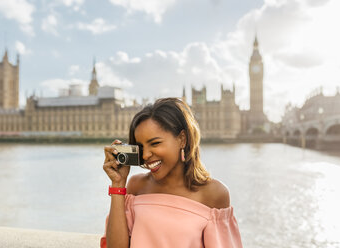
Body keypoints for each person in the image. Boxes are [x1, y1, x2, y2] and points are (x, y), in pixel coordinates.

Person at [101, 97, 243, 248]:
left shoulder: (214, 194)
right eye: (140, 146)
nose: (145, 155)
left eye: (155, 143)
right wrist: (118, 184)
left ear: (182, 139)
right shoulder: (136, 186)